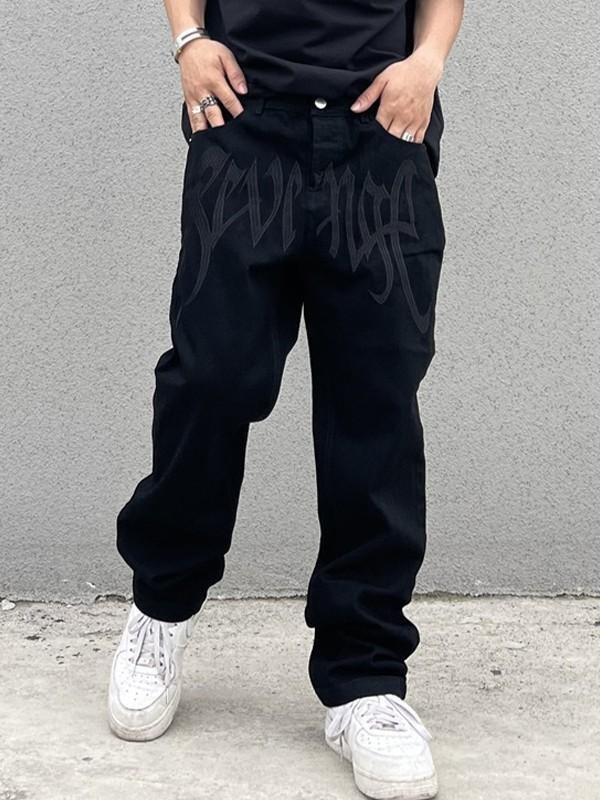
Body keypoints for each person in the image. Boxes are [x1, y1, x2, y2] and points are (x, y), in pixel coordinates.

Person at [108, 0, 463, 797]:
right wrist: (189, 42)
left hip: (379, 134)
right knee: (213, 377)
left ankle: (365, 679)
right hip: (247, 127)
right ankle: (161, 606)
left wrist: (428, 63)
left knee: (375, 400)